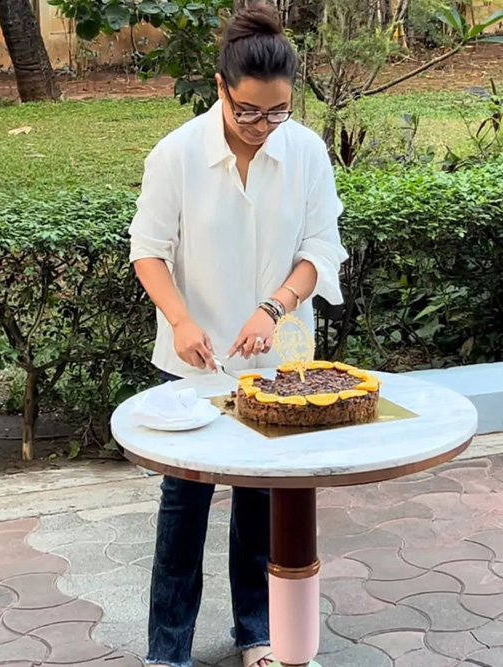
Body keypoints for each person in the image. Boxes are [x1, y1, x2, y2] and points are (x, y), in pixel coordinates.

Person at [127, 3, 348, 667]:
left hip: (275, 357)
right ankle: (167, 651)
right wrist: (181, 320)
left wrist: (274, 308)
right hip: (193, 360)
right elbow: (148, 250)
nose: (261, 126)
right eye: (247, 110)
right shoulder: (177, 154)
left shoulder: (305, 151)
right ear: (221, 87)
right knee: (184, 505)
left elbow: (321, 247)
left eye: (277, 112)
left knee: (261, 500)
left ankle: (258, 634)